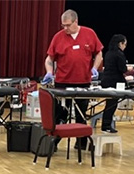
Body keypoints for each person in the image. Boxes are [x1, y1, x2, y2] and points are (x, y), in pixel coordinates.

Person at [44, 9, 102, 147]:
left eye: (68, 25)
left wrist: (95, 67)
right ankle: (52, 143)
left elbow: (99, 53)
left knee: (81, 115)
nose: (65, 28)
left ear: (76, 22)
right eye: (63, 25)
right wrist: (49, 71)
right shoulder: (58, 37)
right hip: (62, 83)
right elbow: (49, 59)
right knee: (60, 114)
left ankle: (81, 143)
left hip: (83, 83)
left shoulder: (89, 33)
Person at [99, 34, 128, 133]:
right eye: (125, 44)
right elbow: (122, 69)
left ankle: (106, 125)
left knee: (109, 104)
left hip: (106, 81)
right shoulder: (119, 54)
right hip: (114, 82)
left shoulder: (108, 53)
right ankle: (106, 125)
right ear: (120, 43)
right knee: (111, 105)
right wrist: (129, 69)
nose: (125, 47)